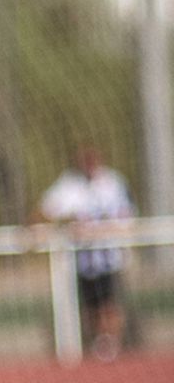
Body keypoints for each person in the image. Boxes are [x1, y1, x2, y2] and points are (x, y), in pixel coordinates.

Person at [36, 145, 134, 360]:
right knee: (90, 307)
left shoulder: (114, 183)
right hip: (83, 261)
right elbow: (47, 209)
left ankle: (111, 345)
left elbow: (127, 216)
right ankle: (98, 346)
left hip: (109, 259)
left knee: (110, 303)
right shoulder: (70, 184)